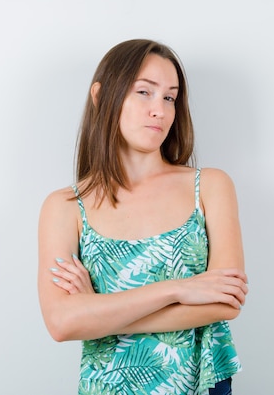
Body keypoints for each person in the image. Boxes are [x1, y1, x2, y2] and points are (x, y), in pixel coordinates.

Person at [37, 39, 248, 395]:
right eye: (144, 92)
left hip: (200, 384)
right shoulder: (66, 206)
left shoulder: (210, 186)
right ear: (102, 96)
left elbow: (224, 302)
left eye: (169, 97)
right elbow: (61, 322)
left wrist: (98, 315)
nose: (160, 111)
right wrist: (179, 289)